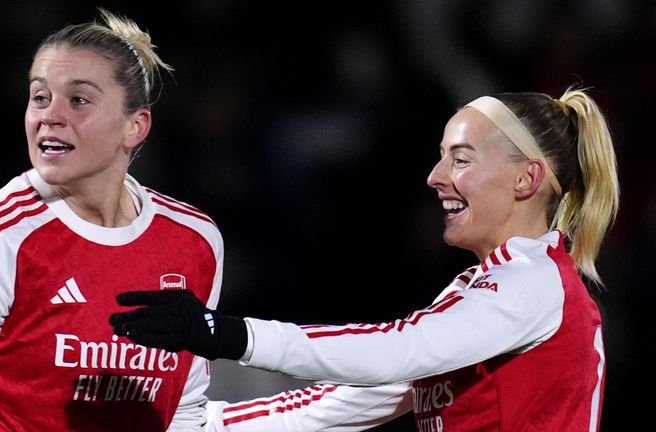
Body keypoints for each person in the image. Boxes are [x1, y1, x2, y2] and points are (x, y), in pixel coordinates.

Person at [0, 9, 420, 432]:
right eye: (39, 98)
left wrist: (393, 385)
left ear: (135, 127)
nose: (49, 116)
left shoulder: (194, 241)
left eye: (78, 100)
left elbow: (181, 416)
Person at [110, 88, 619, 431]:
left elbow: (396, 350)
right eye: (442, 156)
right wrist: (199, 426)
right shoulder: (476, 291)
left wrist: (225, 334)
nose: (435, 176)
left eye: (461, 159)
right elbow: (344, 400)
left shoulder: (533, 281)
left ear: (526, 179)